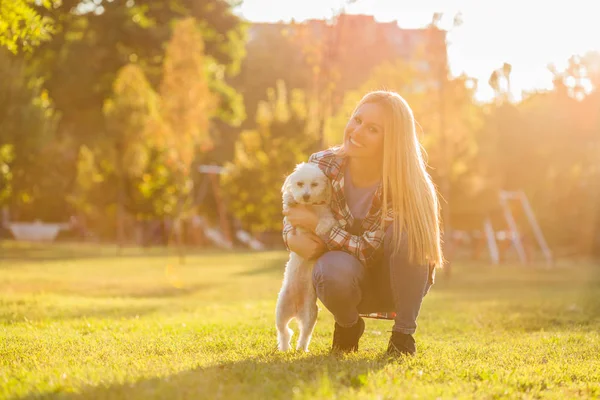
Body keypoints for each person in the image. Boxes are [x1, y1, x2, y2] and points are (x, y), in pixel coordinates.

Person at [282, 90, 443, 356]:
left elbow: (368, 250)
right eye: (356, 120)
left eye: (372, 129)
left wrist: (320, 227)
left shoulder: (406, 184)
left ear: (391, 141)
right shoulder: (323, 164)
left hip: (396, 283)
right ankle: (348, 325)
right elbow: (294, 200)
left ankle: (403, 336)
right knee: (328, 269)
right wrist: (290, 235)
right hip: (344, 279)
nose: (356, 132)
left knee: (406, 233)